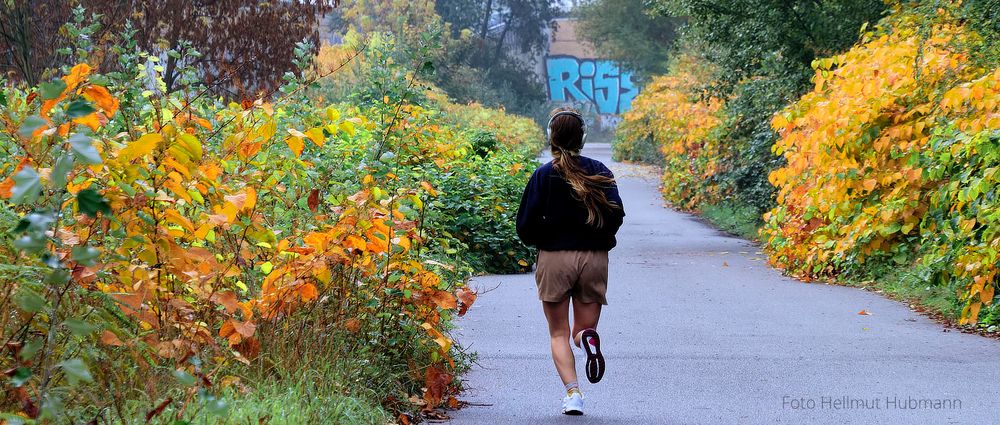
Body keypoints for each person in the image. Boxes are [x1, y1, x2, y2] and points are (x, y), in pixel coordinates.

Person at [515, 108, 626, 415]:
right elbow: (616, 215)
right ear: (583, 138)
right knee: (581, 330)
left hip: (555, 259)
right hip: (593, 259)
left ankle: (573, 394)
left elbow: (524, 224)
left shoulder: (543, 175)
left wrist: (545, 239)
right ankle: (588, 339)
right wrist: (600, 240)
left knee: (559, 333)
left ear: (551, 137)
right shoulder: (601, 171)